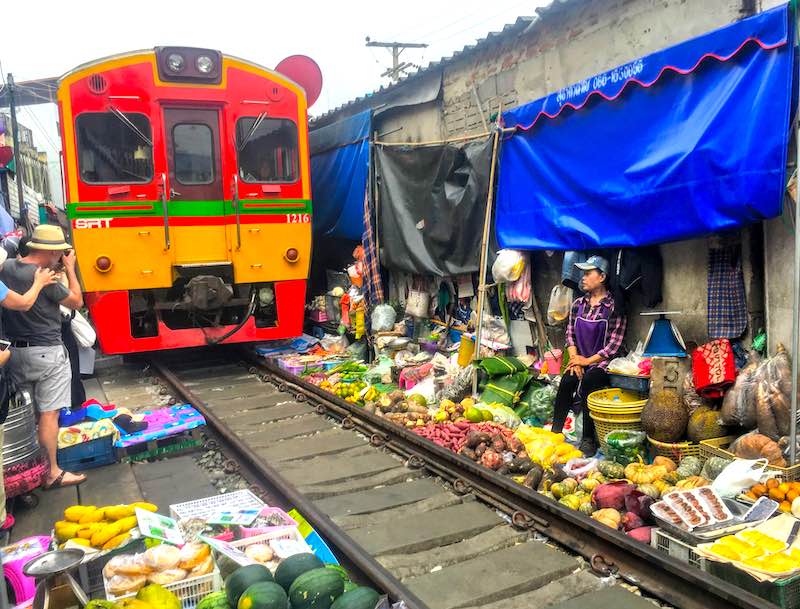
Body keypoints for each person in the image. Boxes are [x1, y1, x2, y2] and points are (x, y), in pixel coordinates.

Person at [0, 225, 85, 489]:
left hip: (12, 352)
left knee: (25, 414)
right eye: (59, 252)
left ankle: (25, 471)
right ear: (50, 253)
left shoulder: (8, 269)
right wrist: (69, 268)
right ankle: (52, 472)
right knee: (49, 414)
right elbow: (76, 302)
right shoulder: (45, 276)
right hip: (47, 352)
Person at [551, 255, 627, 456]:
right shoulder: (578, 304)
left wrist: (587, 361)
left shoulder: (613, 306)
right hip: (580, 358)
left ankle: (588, 438)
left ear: (601, 277)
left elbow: (613, 347)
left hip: (602, 363)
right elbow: (570, 335)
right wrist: (576, 360)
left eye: (587, 273)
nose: (582, 278)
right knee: (567, 380)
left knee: (590, 382)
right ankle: (555, 432)